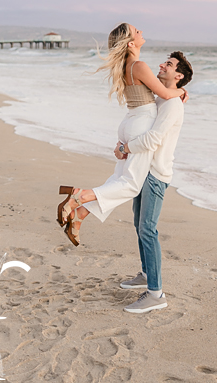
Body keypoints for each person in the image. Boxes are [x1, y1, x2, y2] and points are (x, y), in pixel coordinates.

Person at [55, 23, 186, 246]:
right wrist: (182, 90)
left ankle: (80, 215)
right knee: (131, 185)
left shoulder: (125, 65)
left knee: (118, 179)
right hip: (141, 123)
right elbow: (165, 93)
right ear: (131, 43)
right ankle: (80, 196)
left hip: (130, 121)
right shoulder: (139, 65)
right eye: (137, 31)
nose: (141, 31)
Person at [114, 50, 192, 313]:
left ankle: (156, 294)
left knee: (148, 228)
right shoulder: (162, 98)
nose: (162, 65)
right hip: (143, 168)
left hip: (156, 174)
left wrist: (125, 148)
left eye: (169, 64)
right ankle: (147, 274)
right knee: (139, 224)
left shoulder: (172, 105)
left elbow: (153, 139)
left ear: (178, 76)